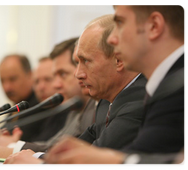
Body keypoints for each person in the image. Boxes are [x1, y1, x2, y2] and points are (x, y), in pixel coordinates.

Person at [43, 3, 185, 165]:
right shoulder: (168, 85)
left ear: (154, 26)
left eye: (120, 23)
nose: (112, 39)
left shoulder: (177, 87)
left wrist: (115, 160)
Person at [3, 14, 147, 165]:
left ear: (119, 60)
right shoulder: (106, 102)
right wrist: (33, 158)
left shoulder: (139, 100)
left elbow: (91, 159)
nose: (78, 74)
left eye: (86, 61)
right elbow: (75, 150)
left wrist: (36, 162)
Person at [0, 38, 96, 158]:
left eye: (62, 74)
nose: (56, 85)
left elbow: (65, 153)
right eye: (37, 81)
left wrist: (13, 147)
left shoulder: (77, 107)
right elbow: (52, 146)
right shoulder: (76, 108)